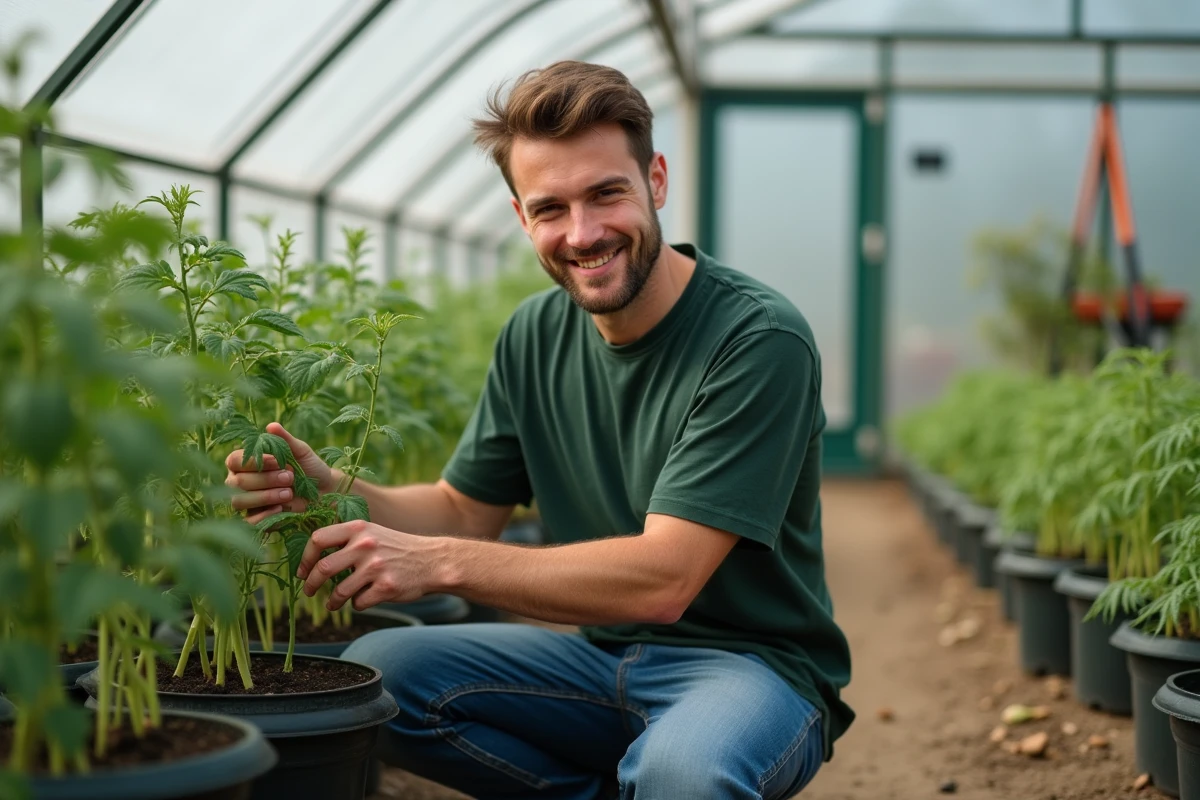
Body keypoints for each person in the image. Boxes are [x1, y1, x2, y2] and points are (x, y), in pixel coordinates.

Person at [225, 60, 853, 799]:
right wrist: (333, 491)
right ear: (523, 218)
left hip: (752, 671)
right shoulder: (534, 333)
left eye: (606, 194)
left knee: (683, 773)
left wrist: (440, 564)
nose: (583, 233)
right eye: (551, 208)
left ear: (655, 181)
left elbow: (665, 580)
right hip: (598, 663)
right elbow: (463, 511)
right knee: (378, 678)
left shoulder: (756, 338)